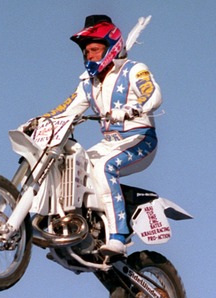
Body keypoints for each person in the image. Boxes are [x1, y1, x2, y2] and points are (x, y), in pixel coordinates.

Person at [39, 14, 163, 256]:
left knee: (105, 167)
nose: (89, 56)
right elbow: (67, 109)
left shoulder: (133, 70)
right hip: (111, 143)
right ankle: (78, 229)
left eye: (94, 49)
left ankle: (118, 236)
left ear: (111, 46)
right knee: (71, 164)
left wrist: (132, 109)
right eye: (86, 52)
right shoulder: (88, 83)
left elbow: (153, 95)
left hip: (140, 139)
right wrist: (41, 121)